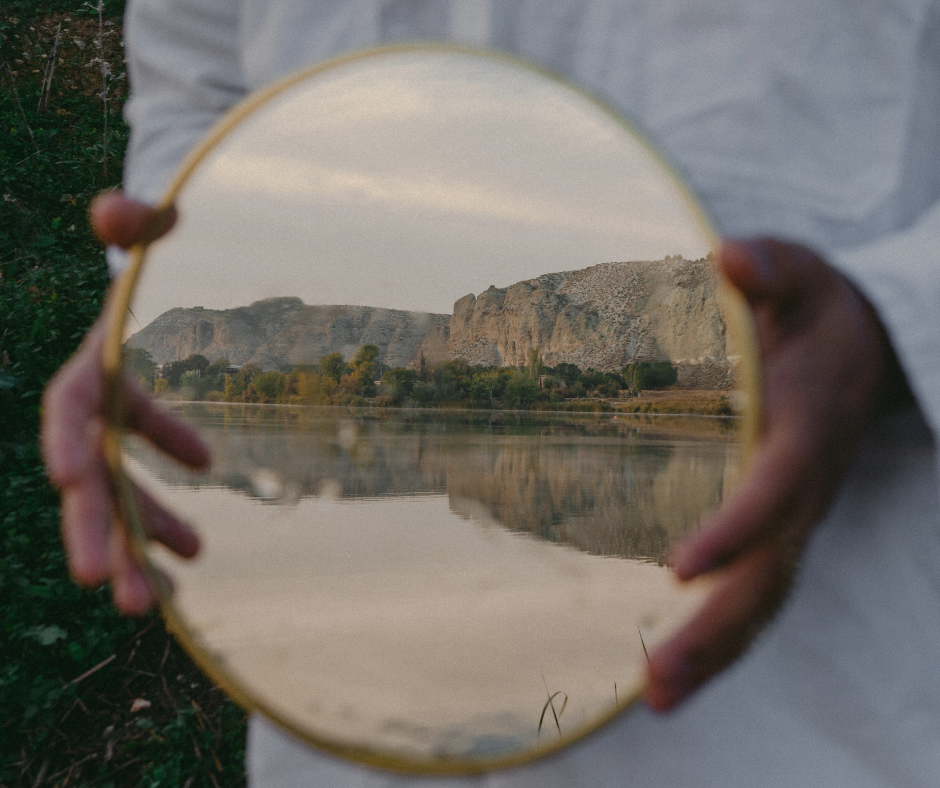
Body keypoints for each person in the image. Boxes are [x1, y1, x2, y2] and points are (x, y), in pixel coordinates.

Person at [42, 1, 940, 785]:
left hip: (821, 710)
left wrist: (892, 318)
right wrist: (147, 301)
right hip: (347, 722)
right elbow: (191, 91)